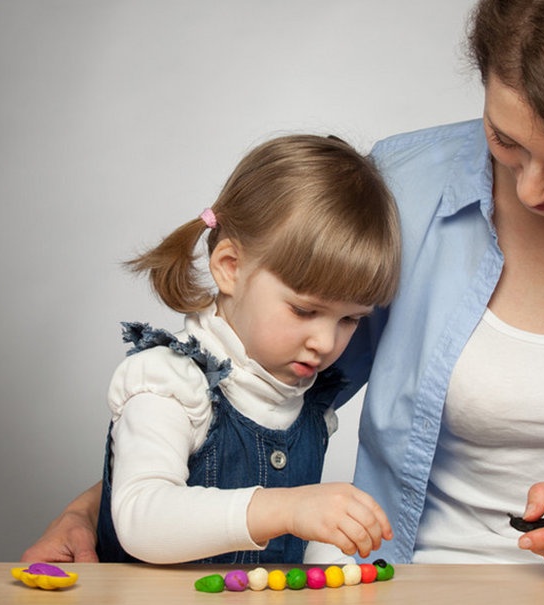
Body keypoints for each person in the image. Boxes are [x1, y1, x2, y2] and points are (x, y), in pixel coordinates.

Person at [23, 0, 544, 575]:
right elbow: (262, 391)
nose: (530, 189)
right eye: (506, 141)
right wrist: (103, 509)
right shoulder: (409, 185)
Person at [91, 134, 401, 564]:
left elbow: (290, 551)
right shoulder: (170, 381)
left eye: (350, 319)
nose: (326, 343)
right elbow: (141, 519)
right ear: (230, 268)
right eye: (304, 309)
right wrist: (288, 508)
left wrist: (333, 559)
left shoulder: (309, 407)